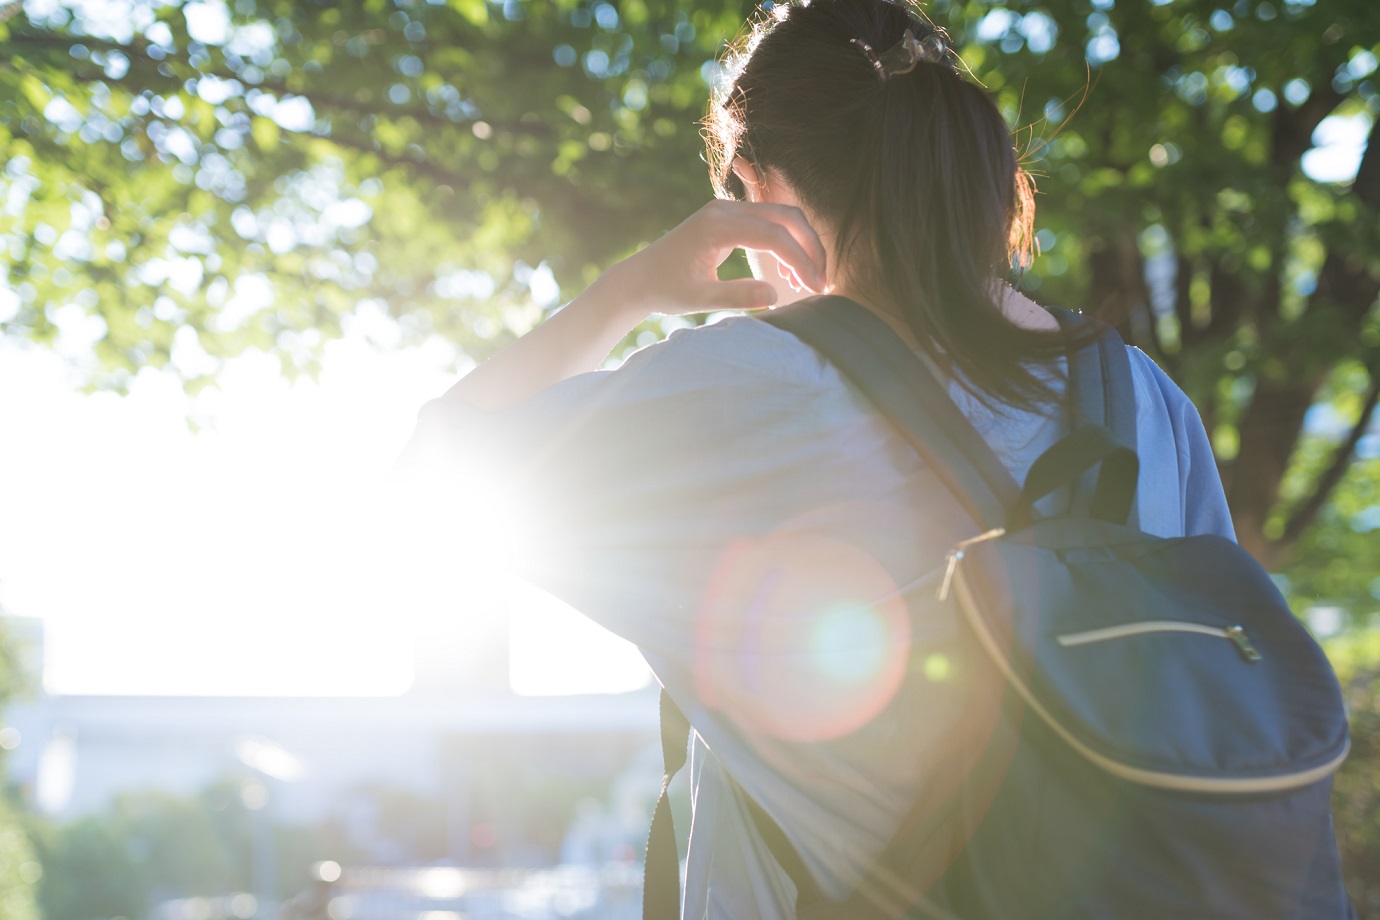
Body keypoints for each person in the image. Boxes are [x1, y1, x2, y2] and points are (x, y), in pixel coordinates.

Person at [398, 1, 1235, 917]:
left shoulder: (751, 388)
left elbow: (438, 470)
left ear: (752, 196)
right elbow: (1225, 691)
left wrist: (632, 287)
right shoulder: (1146, 398)